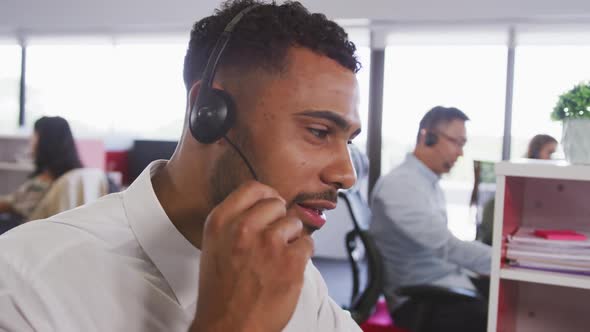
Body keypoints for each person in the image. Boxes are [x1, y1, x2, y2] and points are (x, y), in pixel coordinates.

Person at [0, 1, 363, 331]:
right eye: (318, 131)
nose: (346, 175)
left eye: (348, 141)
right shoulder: (24, 282)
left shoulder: (285, 266)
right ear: (210, 113)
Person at [369, 106, 491, 332]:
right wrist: (503, 262)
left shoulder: (427, 183)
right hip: (419, 299)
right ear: (428, 137)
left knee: (506, 298)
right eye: (457, 142)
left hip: (442, 283)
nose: (460, 153)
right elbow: (446, 246)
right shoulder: (401, 186)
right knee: (498, 315)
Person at [477, 133, 558, 245]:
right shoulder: (522, 172)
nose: (552, 158)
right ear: (536, 151)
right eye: (550, 153)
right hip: (498, 217)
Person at [0, 116, 82, 222]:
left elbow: (14, 206)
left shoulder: (45, 181)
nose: (31, 141)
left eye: (34, 136)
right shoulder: (71, 174)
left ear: (45, 142)